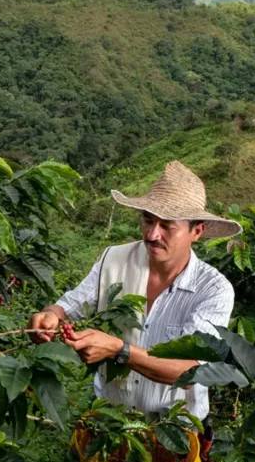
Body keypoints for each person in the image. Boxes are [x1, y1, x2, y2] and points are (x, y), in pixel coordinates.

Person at [28, 161, 241, 420]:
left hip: (175, 429)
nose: (152, 235)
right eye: (148, 221)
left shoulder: (213, 290)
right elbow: (69, 307)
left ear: (196, 231)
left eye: (167, 227)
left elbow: (191, 372)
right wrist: (50, 315)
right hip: (109, 420)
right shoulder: (113, 260)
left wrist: (120, 350)